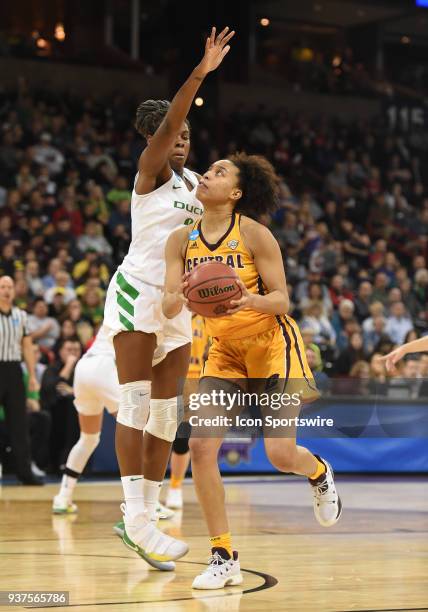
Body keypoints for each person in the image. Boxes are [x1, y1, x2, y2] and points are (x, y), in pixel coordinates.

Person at [163, 153, 342, 589]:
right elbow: (167, 304)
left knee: (280, 456)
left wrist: (250, 300)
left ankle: (318, 472)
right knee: (203, 449)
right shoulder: (179, 241)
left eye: (220, 172)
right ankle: (223, 555)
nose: (207, 174)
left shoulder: (255, 234)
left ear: (237, 193)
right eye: (208, 170)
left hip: (272, 344)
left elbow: (282, 299)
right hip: (223, 350)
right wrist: (184, 297)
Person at [102, 27, 235, 569]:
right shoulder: (150, 174)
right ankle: (133, 515)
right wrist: (200, 72)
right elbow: (173, 120)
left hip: (179, 308)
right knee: (133, 405)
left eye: (184, 135)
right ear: (154, 140)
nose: (180, 139)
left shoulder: (196, 187)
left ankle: (148, 516)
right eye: (170, 134)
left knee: (164, 416)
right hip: (138, 294)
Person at [0, 275, 43, 485]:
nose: (6, 290)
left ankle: (25, 472)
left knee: (19, 424)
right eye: (2, 287)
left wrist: (33, 376)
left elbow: (27, 346)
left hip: (14, 371)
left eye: (9, 287)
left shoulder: (21, 316)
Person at [165, 314, 209, 510]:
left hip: (193, 380)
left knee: (182, 437)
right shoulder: (170, 309)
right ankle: (145, 489)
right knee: (156, 434)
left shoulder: (206, 316)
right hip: (165, 374)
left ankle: (175, 487)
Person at [40, 338, 82, 472]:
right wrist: (68, 366)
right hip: (54, 410)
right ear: (60, 351)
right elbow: (51, 388)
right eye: (69, 350)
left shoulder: (83, 369)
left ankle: (70, 462)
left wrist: (73, 391)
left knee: (71, 404)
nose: (73, 353)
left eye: (76, 350)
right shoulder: (52, 368)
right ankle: (57, 462)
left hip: (77, 412)